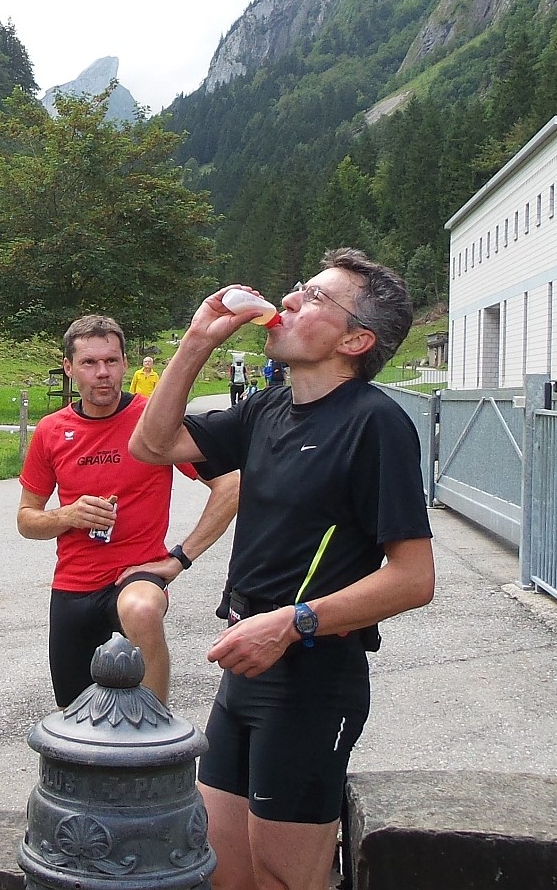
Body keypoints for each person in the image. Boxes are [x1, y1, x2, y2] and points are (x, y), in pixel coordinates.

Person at [130, 251, 435, 890]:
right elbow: (151, 445)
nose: (291, 300)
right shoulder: (267, 408)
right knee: (222, 873)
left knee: (284, 881)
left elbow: (413, 578)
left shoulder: (375, 423)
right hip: (244, 668)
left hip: (312, 678)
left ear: (355, 340)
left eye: (316, 297)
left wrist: (293, 624)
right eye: (299, 288)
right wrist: (196, 342)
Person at [20, 315, 239, 706]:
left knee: (141, 610)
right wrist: (67, 516)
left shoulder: (154, 421)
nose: (102, 373)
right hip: (75, 585)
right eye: (89, 363)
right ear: (69, 368)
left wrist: (180, 558)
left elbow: (231, 485)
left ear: (126, 364)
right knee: (72, 712)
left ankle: (155, 727)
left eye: (111, 361)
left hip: (138, 575)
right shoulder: (51, 430)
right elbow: (26, 519)